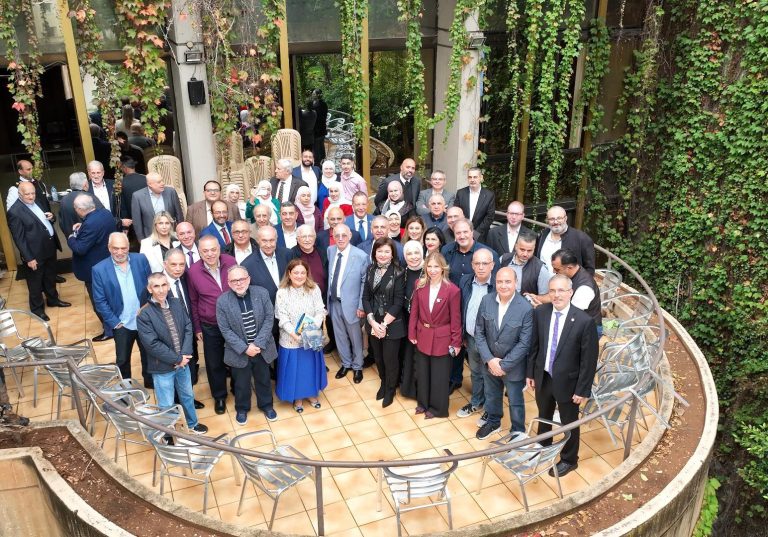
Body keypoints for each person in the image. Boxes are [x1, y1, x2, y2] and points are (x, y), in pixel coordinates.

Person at [527, 274, 599, 477]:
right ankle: (543, 447)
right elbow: (534, 345)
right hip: (544, 376)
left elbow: (588, 360)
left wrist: (582, 389)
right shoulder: (540, 312)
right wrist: (530, 373)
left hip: (569, 383)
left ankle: (569, 459)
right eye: (552, 290)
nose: (556, 295)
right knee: (544, 415)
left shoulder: (584, 321)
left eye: (561, 290)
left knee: (569, 422)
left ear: (570, 292)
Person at [137, 273, 208, 434]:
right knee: (166, 404)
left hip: (183, 363)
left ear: (168, 286)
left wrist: (185, 354)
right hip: (162, 368)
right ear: (149, 289)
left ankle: (192, 424)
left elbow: (188, 327)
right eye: (156, 286)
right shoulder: (144, 314)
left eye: (164, 285)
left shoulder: (176, 303)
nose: (161, 290)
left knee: (188, 396)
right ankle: (168, 433)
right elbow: (152, 344)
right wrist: (177, 359)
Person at [474, 267, 534, 440]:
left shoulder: (526, 308)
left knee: (515, 401)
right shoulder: (486, 300)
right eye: (500, 281)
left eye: (508, 281)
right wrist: (490, 360)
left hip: (513, 367)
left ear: (516, 283)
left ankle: (517, 431)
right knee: (491, 395)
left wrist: (503, 365)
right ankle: (493, 422)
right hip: (490, 362)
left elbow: (524, 343)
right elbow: (479, 332)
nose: (503, 285)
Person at [216, 265, 278, 425]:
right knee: (241, 384)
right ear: (228, 283)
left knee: (264, 380)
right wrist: (245, 348)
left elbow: (269, 319)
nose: (238, 283)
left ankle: (267, 406)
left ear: (249, 279)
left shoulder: (262, 293)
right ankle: (242, 409)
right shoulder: (222, 301)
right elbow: (225, 329)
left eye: (242, 279)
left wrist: (258, 343)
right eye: (234, 280)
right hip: (238, 351)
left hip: (261, 348)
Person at [91, 232, 151, 384]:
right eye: (115, 248)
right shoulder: (99, 270)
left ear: (129, 247)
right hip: (121, 323)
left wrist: (149, 308)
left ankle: (150, 381)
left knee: (149, 354)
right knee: (123, 360)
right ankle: (126, 387)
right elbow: (100, 301)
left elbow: (151, 286)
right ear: (109, 248)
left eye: (123, 248)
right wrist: (115, 323)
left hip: (144, 320)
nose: (119, 252)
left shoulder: (141, 259)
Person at [408, 252, 462, 418]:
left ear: (443, 268)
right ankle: (423, 404)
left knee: (439, 376)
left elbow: (456, 319)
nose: (432, 270)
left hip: (442, 338)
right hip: (423, 334)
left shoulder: (452, 290)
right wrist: (412, 332)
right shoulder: (419, 285)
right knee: (422, 373)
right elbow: (414, 311)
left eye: (436, 266)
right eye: (429, 266)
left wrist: (456, 342)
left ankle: (437, 409)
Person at [187, 235, 237, 414]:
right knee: (214, 362)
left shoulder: (231, 262)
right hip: (210, 324)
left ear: (219, 249)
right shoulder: (193, 271)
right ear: (199, 253)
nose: (210, 254)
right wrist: (197, 327)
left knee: (237, 357)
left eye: (213, 249)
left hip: (234, 322)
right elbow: (193, 301)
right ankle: (219, 396)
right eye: (205, 251)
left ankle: (237, 387)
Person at [7, 182, 70, 321]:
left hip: (49, 247)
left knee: (50, 276)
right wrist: (29, 258)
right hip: (34, 254)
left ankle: (53, 300)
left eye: (33, 193)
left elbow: (46, 221)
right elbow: (19, 238)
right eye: (27, 194)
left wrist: (52, 217)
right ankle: (37, 309)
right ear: (19, 194)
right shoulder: (14, 212)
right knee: (35, 283)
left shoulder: (38, 202)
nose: (31, 196)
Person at [275, 259, 328, 412]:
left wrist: (311, 329)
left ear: (307, 274)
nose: (299, 276)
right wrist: (296, 335)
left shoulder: (314, 288)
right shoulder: (282, 292)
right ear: (289, 274)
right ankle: (297, 397)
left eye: (302, 273)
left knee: (310, 368)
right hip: (291, 339)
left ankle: (311, 393)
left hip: (312, 335)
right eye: (296, 272)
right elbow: (282, 317)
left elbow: (320, 310)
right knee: (295, 370)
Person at [362, 238, 406, 407]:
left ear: (392, 254)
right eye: (379, 251)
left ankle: (390, 389)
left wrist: (384, 324)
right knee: (378, 358)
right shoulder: (370, 269)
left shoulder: (399, 272)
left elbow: (398, 302)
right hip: (374, 321)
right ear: (374, 253)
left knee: (390, 360)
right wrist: (372, 322)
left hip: (392, 323)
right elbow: (366, 297)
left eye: (387, 251)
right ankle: (383, 382)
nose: (383, 254)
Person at [67, 194, 116, 341]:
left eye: (75, 208)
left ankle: (110, 331)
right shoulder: (105, 213)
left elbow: (80, 248)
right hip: (107, 263)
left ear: (80, 210)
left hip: (93, 269)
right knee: (110, 298)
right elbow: (96, 231)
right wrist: (82, 227)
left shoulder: (90, 223)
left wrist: (71, 238)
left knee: (99, 302)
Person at [456, 248, 496, 421]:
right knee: (475, 372)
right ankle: (476, 402)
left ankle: (491, 410)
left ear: (492, 265)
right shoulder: (465, 281)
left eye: (485, 263)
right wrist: (463, 335)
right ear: (472, 265)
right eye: (477, 263)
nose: (481, 267)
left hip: (491, 341)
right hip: (471, 337)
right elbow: (461, 307)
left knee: (491, 376)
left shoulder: (498, 285)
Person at [328, 224, 369, 383]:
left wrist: (361, 306)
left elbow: (365, 282)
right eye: (337, 235)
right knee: (340, 336)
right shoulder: (330, 251)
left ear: (350, 236)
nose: (340, 239)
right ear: (333, 236)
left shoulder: (360, 256)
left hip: (352, 305)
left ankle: (358, 366)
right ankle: (346, 363)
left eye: (344, 235)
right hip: (334, 302)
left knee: (355, 337)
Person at [163, 248, 203, 406]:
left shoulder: (186, 278)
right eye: (174, 264)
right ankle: (175, 403)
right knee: (172, 372)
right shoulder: (157, 284)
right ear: (165, 264)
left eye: (182, 264)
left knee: (189, 370)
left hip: (188, 335)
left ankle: (188, 400)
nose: (178, 268)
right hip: (169, 339)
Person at [547, 249, 602, 334]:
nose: (554, 272)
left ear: (569, 268)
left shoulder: (584, 289)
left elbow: (571, 316)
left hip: (587, 330)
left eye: (557, 269)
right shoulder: (575, 272)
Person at [241, 225, 294, 306]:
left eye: (272, 240)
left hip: (291, 305)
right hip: (266, 309)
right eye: (264, 241)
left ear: (276, 239)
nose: (268, 245)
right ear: (258, 240)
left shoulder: (288, 254)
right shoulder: (247, 265)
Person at [536, 205, 596, 275]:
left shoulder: (581, 239)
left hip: (569, 281)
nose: (555, 222)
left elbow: (589, 269)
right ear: (547, 220)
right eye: (552, 219)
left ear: (565, 218)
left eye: (559, 218)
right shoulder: (542, 235)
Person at [399, 241, 424, 399]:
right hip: (406, 320)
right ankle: (408, 388)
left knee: (421, 358)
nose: (413, 257)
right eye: (409, 253)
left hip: (423, 323)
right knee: (408, 355)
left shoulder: (429, 272)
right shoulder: (403, 272)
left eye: (416, 253)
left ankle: (421, 390)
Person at [131, 173, 184, 241]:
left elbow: (179, 214)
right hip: (150, 237)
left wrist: (181, 233)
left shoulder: (171, 192)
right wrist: (141, 240)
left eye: (162, 181)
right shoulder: (138, 196)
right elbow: (137, 222)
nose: (163, 183)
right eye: (159, 182)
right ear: (150, 184)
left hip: (171, 235)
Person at [499, 231, 551, 297]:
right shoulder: (503, 259)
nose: (525, 254)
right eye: (522, 250)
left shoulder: (540, 269)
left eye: (529, 251)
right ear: (516, 246)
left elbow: (546, 296)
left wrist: (533, 299)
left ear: (534, 249)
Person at [454, 167, 496, 243]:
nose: (472, 180)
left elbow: (489, 217)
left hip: (481, 236)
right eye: (470, 177)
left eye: (475, 177)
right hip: (462, 235)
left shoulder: (489, 195)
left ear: (481, 178)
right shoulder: (460, 193)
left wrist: (475, 233)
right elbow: (456, 213)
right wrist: (463, 231)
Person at [58, 172, 104, 237]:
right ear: (85, 184)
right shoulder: (89, 198)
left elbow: (61, 222)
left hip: (72, 238)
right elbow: (103, 217)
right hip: (91, 238)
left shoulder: (64, 200)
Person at [310, 89, 328, 161]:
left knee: (317, 146)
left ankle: (318, 162)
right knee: (321, 145)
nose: (312, 95)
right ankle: (323, 159)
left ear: (318, 95)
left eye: (314, 94)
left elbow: (316, 116)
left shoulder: (317, 105)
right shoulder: (324, 104)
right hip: (322, 128)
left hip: (317, 129)